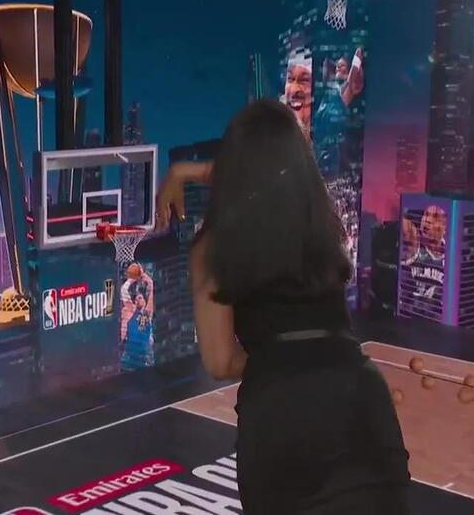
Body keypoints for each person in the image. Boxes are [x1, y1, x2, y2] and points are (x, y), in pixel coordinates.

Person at [156, 99, 411, 513]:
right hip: (361, 395)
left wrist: (280, 358)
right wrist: (187, 170)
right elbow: (273, 168)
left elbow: (221, 361)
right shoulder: (321, 219)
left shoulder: (211, 247)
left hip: (280, 410)